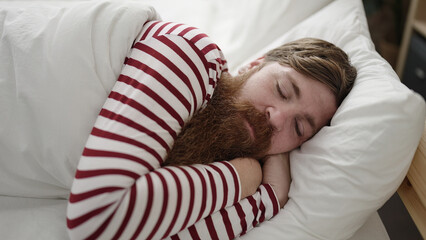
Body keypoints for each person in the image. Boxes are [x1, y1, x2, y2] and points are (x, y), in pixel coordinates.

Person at [67, 20, 356, 240]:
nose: (277, 120)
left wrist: (269, 196)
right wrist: (251, 180)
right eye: (281, 90)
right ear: (255, 65)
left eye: (298, 127)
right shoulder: (192, 56)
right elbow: (97, 221)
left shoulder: (214, 157)